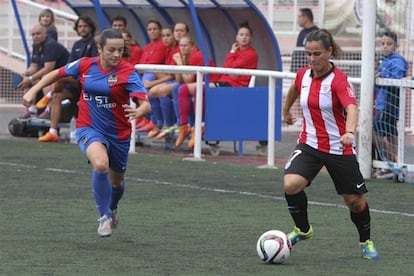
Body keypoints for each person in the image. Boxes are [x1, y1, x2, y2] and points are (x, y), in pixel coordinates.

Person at [22, 28, 150, 238]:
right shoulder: (85, 64)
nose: (116, 55)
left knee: (117, 182)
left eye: (120, 50)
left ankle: (113, 206)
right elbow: (57, 73)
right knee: (100, 164)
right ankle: (104, 216)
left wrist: (139, 110)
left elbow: (146, 104)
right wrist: (33, 90)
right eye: (111, 50)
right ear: (99, 48)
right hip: (88, 127)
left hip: (118, 134)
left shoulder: (128, 72)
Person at [282, 29, 378, 259]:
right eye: (308, 54)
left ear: (329, 52)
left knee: (354, 202)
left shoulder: (339, 81)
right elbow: (294, 88)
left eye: (317, 54)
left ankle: (366, 241)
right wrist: (286, 110)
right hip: (310, 144)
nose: (312, 59)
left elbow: (351, 108)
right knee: (291, 184)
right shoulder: (303, 75)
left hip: (338, 147)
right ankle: (303, 230)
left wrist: (349, 131)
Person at [175, 22, 258, 149]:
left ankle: (199, 126)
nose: (244, 37)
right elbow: (227, 67)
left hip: (235, 87)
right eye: (241, 34)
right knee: (183, 89)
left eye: (246, 35)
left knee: (199, 89)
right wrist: (232, 53)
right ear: (237, 37)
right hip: (224, 82)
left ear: (251, 38)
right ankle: (184, 126)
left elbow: (229, 67)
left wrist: (231, 53)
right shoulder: (235, 52)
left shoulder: (251, 54)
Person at [36, 15, 99, 142]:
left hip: (86, 81)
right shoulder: (77, 44)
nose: (82, 29)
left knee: (58, 79)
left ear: (91, 28)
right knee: (58, 95)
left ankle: (47, 96)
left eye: (85, 26)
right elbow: (70, 64)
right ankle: (53, 131)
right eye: (80, 26)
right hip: (74, 82)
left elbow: (92, 65)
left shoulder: (93, 43)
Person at [372, 30, 408, 176]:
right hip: (382, 104)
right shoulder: (384, 61)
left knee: (374, 130)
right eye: (383, 44)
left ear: (396, 46)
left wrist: (382, 76)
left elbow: (396, 78)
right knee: (389, 133)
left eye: (389, 44)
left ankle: (390, 162)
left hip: (390, 104)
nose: (385, 46)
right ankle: (392, 164)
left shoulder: (398, 61)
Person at [146, 22, 190, 139]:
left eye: (168, 35)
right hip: (179, 80)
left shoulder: (185, 48)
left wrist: (153, 82)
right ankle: (159, 123)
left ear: (187, 33)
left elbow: (177, 76)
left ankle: (172, 124)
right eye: (176, 31)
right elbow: (171, 73)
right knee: (152, 93)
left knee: (164, 91)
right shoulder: (168, 49)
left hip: (189, 82)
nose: (165, 38)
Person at [18, 24, 69, 118]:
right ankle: (31, 109)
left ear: (45, 34)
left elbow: (48, 68)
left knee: (45, 80)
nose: (35, 36)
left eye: (38, 34)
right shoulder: (36, 45)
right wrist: (26, 75)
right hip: (51, 75)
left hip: (65, 77)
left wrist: (30, 78)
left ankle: (48, 109)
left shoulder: (50, 45)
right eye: (33, 34)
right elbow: (34, 66)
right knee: (27, 82)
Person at [290, 8, 319, 73]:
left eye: (299, 17)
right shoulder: (302, 32)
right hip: (297, 69)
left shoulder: (317, 33)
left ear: (305, 17)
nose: (298, 20)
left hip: (309, 71)